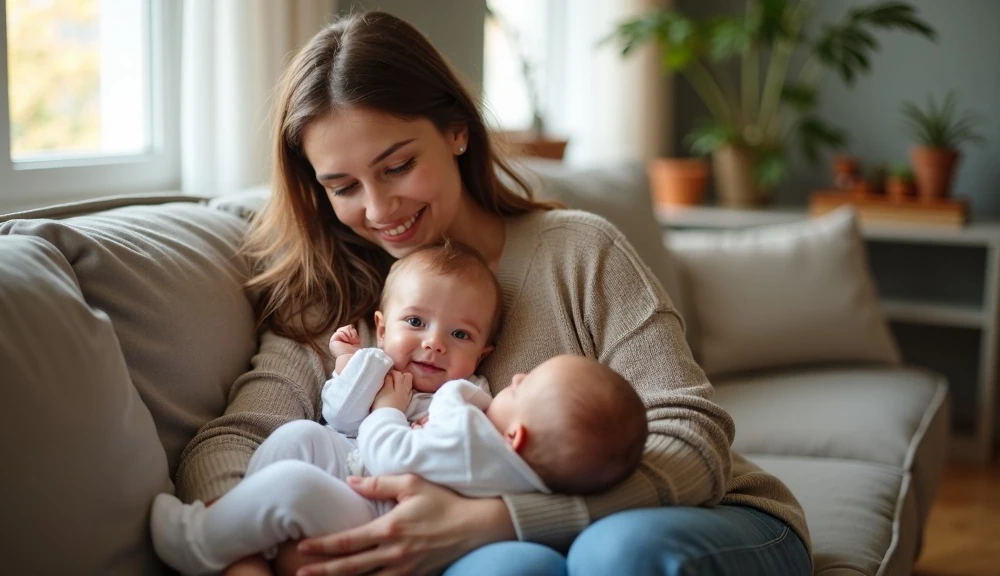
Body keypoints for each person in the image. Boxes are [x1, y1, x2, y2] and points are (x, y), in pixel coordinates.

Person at [175, 10, 813, 576]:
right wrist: (245, 558)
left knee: (613, 554)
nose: (378, 208)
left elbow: (693, 435)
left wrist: (497, 518)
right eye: (343, 186)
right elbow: (231, 442)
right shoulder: (329, 299)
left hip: (700, 518)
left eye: (398, 166)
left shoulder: (578, 251)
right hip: (491, 556)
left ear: (457, 131)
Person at [152, 243, 647, 575]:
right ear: (382, 327)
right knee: (297, 437)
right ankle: (244, 527)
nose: (434, 345)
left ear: (482, 354)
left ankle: (196, 542)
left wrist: (387, 409)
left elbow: (390, 454)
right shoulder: (473, 406)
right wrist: (356, 366)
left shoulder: (477, 436)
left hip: (378, 513)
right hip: (356, 473)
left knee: (293, 486)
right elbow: (340, 420)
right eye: (416, 322)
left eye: (460, 335)